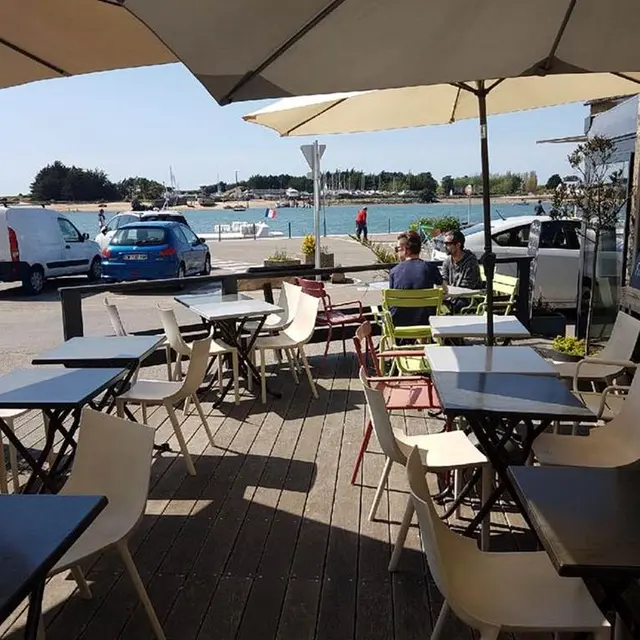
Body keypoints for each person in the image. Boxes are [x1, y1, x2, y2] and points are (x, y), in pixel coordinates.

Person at [388, 230, 445, 326]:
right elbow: (444, 290)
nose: (396, 252)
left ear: (405, 249)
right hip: (426, 323)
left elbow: (392, 298)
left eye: (398, 249)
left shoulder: (394, 271)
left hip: (399, 324)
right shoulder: (430, 268)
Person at [441, 229, 482, 312]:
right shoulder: (447, 261)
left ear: (458, 245)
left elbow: (466, 287)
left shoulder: (471, 262)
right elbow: (444, 279)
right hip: (453, 295)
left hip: (470, 298)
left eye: (448, 244)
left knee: (457, 305)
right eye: (444, 243)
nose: (444, 246)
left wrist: (448, 293)